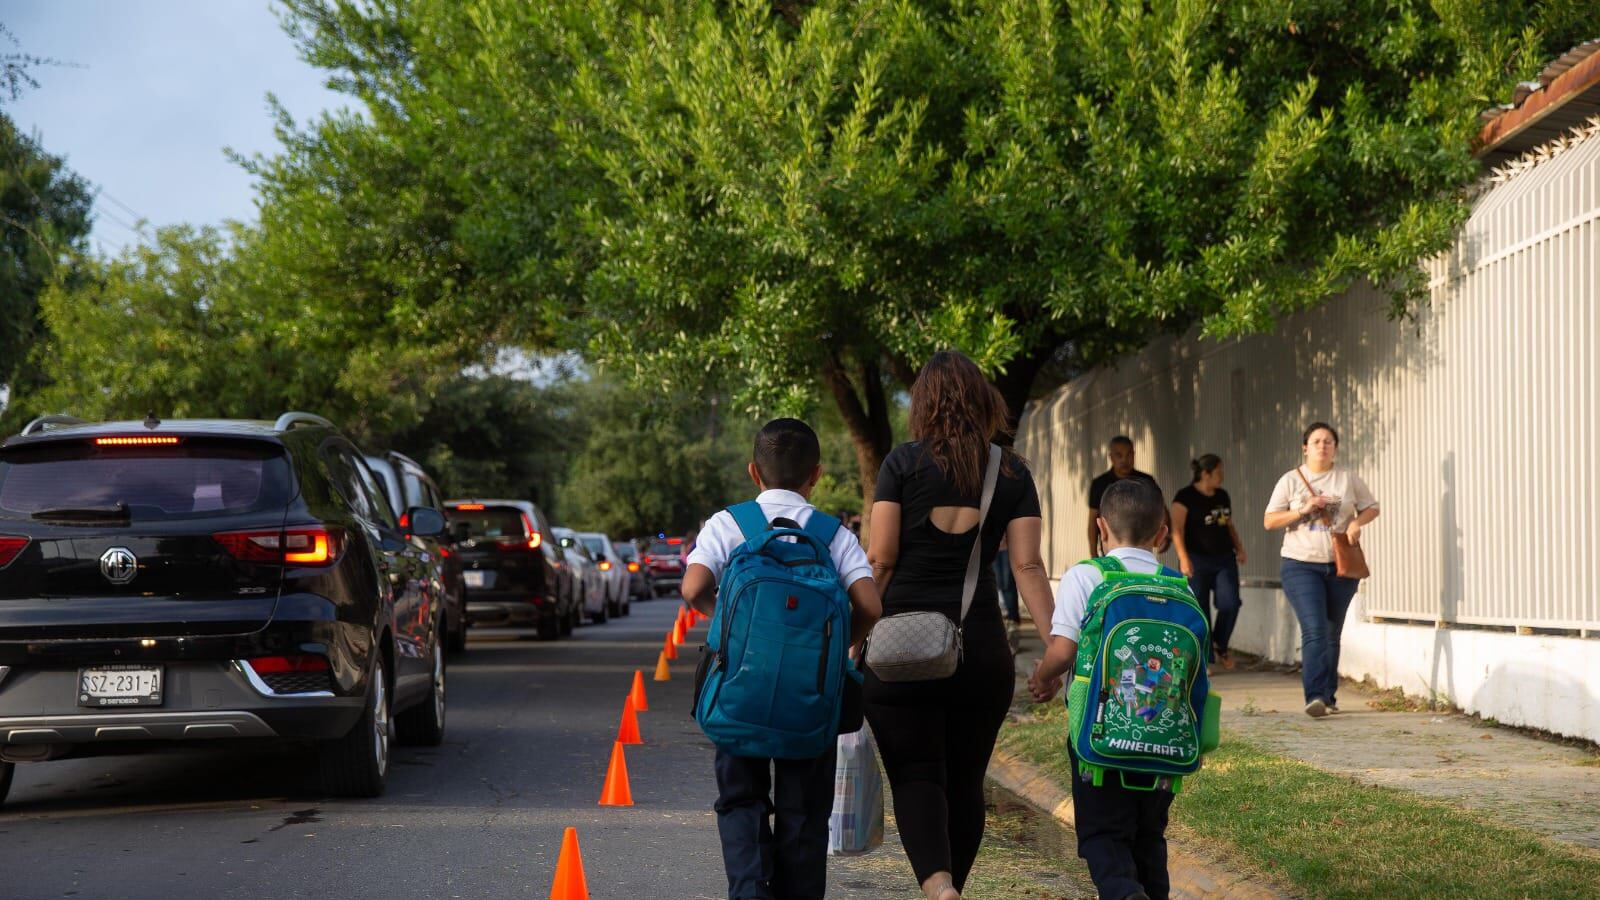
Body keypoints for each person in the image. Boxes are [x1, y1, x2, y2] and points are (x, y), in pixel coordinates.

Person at [865, 351, 1056, 900]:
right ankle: (954, 888)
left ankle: (938, 885)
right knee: (966, 781)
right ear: (984, 402)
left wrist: (853, 637)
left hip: (901, 650)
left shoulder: (901, 465)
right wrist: (1055, 650)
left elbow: (880, 559)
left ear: (922, 404)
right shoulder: (1012, 472)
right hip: (979, 653)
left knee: (917, 775)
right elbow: (1027, 567)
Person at [681, 418, 882, 900]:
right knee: (805, 811)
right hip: (810, 696)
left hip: (739, 693)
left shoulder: (728, 524)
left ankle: (750, 891)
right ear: (815, 474)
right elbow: (871, 606)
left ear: (754, 472)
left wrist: (734, 631)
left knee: (740, 800)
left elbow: (693, 588)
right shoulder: (835, 536)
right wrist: (834, 652)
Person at [1029, 478, 1176, 900]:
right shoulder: (1176, 585)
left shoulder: (1085, 576)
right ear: (1162, 533)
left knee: (1102, 834)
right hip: (1162, 738)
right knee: (1149, 836)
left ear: (1101, 527)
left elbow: (1063, 650)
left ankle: (1124, 895)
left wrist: (1043, 678)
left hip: (1098, 735)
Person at [1263, 422, 1379, 718]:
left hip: (1339, 566)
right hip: (1300, 564)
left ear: (1335, 448)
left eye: (1328, 441)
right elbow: (1270, 520)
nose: (1322, 446)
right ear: (1305, 447)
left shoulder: (1347, 478)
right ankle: (1314, 695)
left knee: (1331, 632)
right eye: (1316, 441)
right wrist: (1302, 509)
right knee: (1314, 628)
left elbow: (1372, 507)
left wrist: (1355, 523)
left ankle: (1327, 696)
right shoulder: (1291, 480)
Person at [1171, 454, 1246, 668]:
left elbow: (1227, 524)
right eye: (1219, 471)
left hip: (1224, 558)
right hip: (1196, 559)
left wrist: (1239, 547)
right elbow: (1177, 529)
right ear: (1206, 473)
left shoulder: (1222, 495)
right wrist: (1183, 558)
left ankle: (1219, 645)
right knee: (1199, 609)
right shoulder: (1184, 497)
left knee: (1230, 603)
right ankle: (1204, 659)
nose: (1222, 475)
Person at [1087, 436, 1166, 556]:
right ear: (1111, 457)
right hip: (1110, 550)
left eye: (1129, 454)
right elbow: (1093, 521)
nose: (1124, 460)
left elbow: (1160, 511)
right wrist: (1093, 554)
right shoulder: (1099, 484)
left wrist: (1165, 537)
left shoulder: (1146, 481)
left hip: (1142, 549)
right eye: (1119, 455)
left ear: (1134, 455)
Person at [993, 535, 1022, 652]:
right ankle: (1009, 623)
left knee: (1008, 583)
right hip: (994, 548)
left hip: (1009, 547)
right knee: (999, 583)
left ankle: (1013, 620)